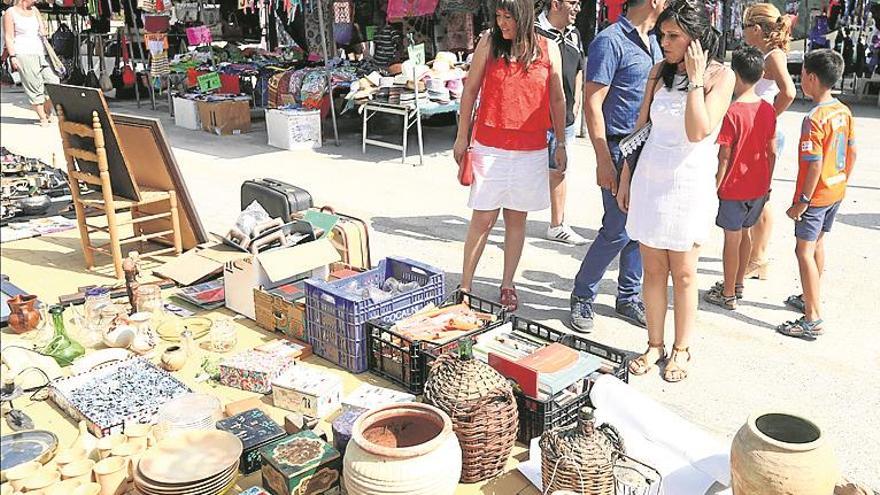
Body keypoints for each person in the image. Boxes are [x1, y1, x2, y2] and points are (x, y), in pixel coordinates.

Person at [617, 0, 735, 382]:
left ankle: (682, 348)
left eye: (673, 36)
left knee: (683, 273)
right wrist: (624, 177)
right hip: (651, 177)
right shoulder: (657, 72)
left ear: (695, 40)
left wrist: (697, 80)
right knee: (652, 269)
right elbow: (639, 128)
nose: (663, 42)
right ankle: (655, 344)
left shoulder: (722, 77)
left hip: (689, 182)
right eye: (662, 35)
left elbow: (697, 130)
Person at [454, 0, 568, 311]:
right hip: (490, 145)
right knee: (483, 218)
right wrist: (462, 136)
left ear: (524, 15)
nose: (503, 23)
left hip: (530, 149)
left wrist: (560, 143)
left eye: (509, 17)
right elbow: (471, 90)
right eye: (499, 16)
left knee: (517, 220)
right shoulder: (489, 42)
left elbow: (557, 98)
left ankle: (507, 284)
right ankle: (465, 286)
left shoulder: (547, 47)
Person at [569, 0, 666, 332]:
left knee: (639, 229)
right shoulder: (610, 41)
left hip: (649, 147)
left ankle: (628, 296)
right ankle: (583, 294)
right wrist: (603, 160)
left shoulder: (657, 40)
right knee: (617, 229)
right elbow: (593, 104)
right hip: (618, 146)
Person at [777, 49, 856, 340]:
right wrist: (843, 179)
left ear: (811, 77)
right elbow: (853, 150)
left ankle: (812, 317)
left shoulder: (813, 119)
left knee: (803, 251)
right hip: (836, 190)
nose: (801, 82)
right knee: (818, 245)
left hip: (816, 196)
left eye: (801, 77)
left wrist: (802, 201)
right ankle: (810, 296)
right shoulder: (843, 111)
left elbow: (814, 164)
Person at [704, 47, 777, 310]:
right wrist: (767, 182)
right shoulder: (768, 110)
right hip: (758, 187)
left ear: (735, 75)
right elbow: (772, 152)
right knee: (745, 235)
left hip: (733, 188)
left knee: (731, 242)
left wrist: (716, 185)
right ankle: (738, 285)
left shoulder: (732, 113)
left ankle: (727, 294)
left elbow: (724, 155)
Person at [741, 3, 796, 281]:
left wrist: (768, 119)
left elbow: (788, 91)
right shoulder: (765, 54)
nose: (742, 33)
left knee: (761, 197)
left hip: (765, 137)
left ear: (757, 29)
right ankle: (755, 254)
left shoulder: (773, 56)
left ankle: (759, 257)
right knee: (756, 195)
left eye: (745, 27)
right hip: (757, 135)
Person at [537, 0, 588, 246]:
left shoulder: (574, 33)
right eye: (573, 2)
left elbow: (579, 67)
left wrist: (576, 98)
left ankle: (557, 225)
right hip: (535, 119)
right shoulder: (533, 31)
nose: (578, 8)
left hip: (564, 117)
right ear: (555, 4)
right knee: (523, 172)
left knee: (559, 169)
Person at [2, 0, 58, 126]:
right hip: (23, 53)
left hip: (41, 52)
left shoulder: (35, 10)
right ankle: (43, 117)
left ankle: (47, 111)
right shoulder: (10, 13)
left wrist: (43, 30)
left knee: (54, 82)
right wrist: (13, 56)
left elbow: (42, 29)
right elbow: (9, 37)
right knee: (34, 87)